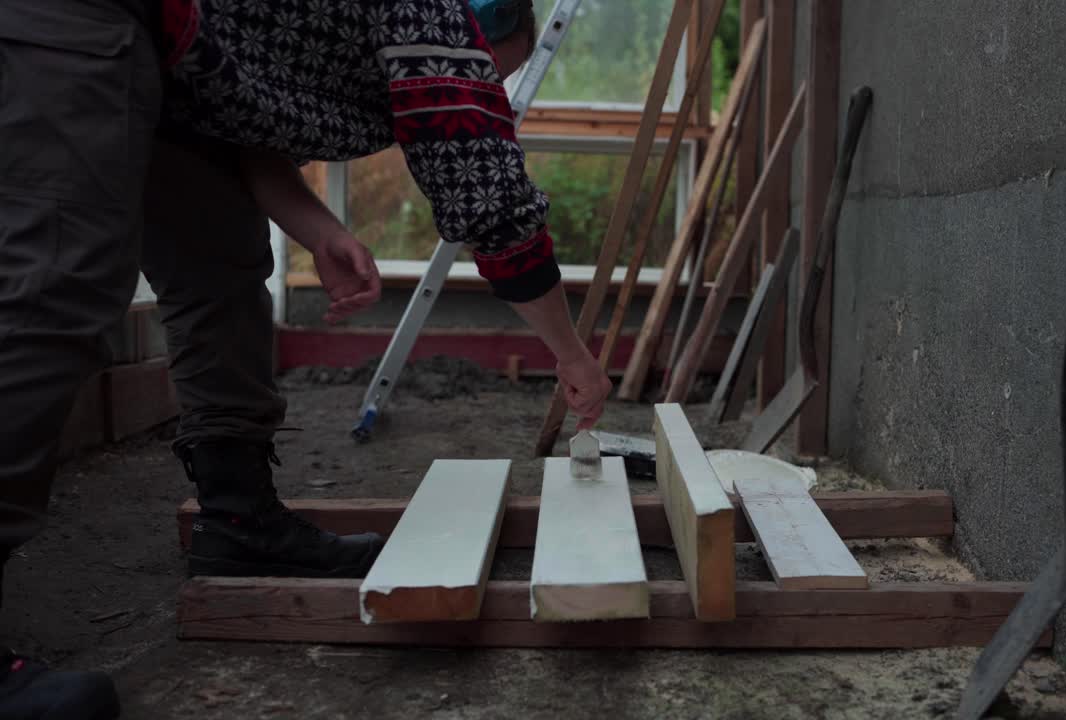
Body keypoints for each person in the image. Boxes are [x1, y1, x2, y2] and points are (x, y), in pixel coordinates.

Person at [0, 0, 612, 715]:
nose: (487, 88)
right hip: (92, 18)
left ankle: (239, 521)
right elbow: (488, 198)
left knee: (218, 272)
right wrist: (574, 357)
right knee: (57, 284)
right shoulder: (437, 17)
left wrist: (319, 230)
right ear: (483, 30)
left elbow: (244, 128)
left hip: (173, 66)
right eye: (491, 73)